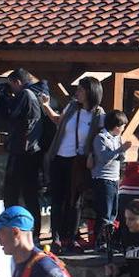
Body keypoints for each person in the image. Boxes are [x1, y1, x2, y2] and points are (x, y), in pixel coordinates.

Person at [43, 76, 107, 253]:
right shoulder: (71, 107)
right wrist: (46, 105)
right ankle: (55, 237)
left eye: (80, 89)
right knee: (57, 199)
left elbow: (100, 139)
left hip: (77, 160)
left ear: (90, 92)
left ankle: (70, 238)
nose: (77, 92)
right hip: (59, 157)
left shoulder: (98, 115)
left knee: (74, 201)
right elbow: (58, 120)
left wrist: (92, 155)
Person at [0, 69, 51, 237]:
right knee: (30, 194)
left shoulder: (25, 94)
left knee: (13, 193)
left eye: (11, 85)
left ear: (17, 82)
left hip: (23, 151)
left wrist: (3, 97)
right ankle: (33, 233)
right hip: (32, 151)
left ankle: (14, 229)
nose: (11, 89)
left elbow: (8, 114)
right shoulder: (36, 93)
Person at [88, 110, 130, 248]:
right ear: (116, 125)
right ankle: (99, 241)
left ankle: (108, 240)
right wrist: (119, 150)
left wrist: (122, 151)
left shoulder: (117, 138)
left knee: (113, 212)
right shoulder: (101, 138)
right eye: (122, 126)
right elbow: (103, 158)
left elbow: (119, 158)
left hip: (114, 178)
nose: (123, 129)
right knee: (105, 212)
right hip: (102, 178)